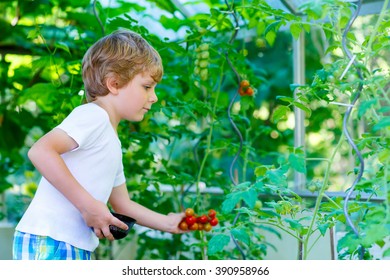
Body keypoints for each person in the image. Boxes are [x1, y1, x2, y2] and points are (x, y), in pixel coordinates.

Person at [12, 29, 186, 260]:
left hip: (69, 245)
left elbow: (122, 204)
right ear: (114, 83)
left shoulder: (110, 138)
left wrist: (168, 223)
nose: (154, 97)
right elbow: (41, 151)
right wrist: (88, 207)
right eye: (147, 87)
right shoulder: (94, 116)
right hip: (52, 242)